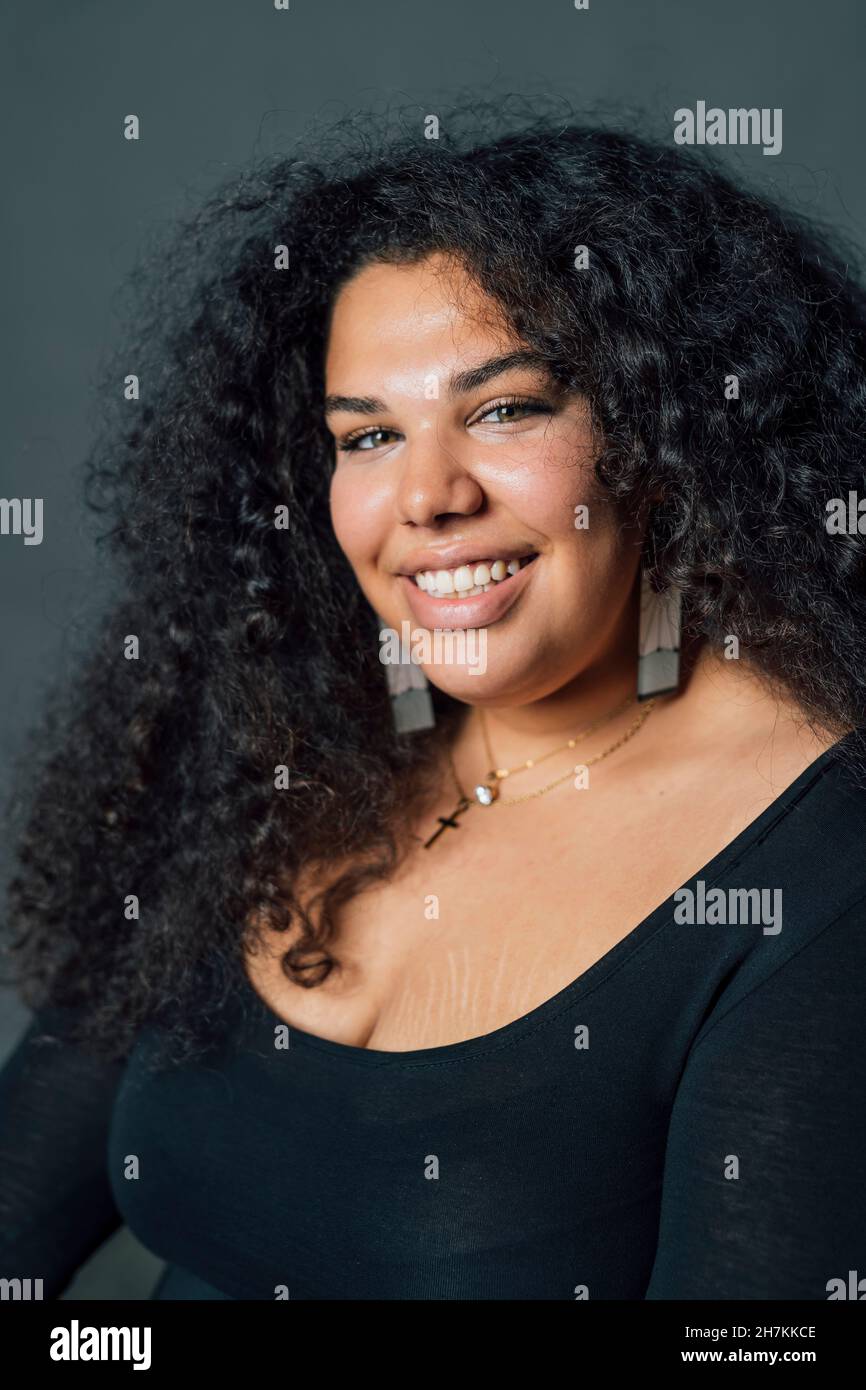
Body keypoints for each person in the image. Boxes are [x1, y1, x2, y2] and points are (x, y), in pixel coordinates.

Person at [2, 102, 866, 1301]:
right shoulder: (274, 762)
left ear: (664, 434)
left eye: (505, 409)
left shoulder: (819, 874)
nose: (424, 497)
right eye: (366, 436)